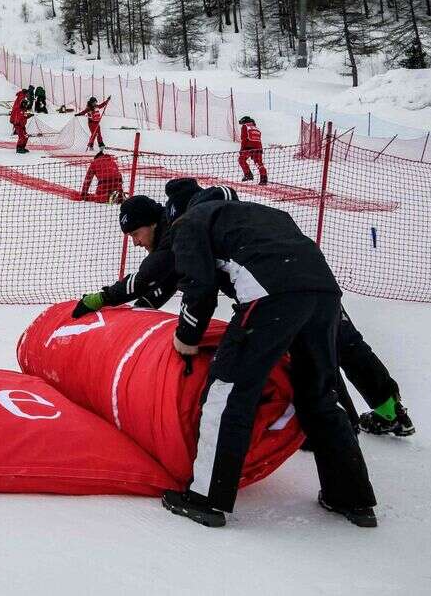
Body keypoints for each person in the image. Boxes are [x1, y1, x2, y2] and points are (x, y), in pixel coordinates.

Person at [77, 179, 415, 439]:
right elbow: (163, 284)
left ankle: (330, 426)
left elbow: (153, 277)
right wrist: (138, 315)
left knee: (302, 355)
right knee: (340, 343)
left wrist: (106, 299)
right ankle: (385, 411)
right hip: (314, 278)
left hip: (273, 294)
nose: (134, 241)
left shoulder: (182, 230)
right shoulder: (230, 214)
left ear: (158, 220)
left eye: (135, 232)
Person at [162, 187, 378, 528]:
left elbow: (199, 289)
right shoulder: (261, 214)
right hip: (324, 294)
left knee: (229, 390)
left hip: (271, 296)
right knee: (319, 395)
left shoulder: (192, 222)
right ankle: (350, 498)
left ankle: (206, 498)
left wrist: (187, 337)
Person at [238, 116, 268, 184]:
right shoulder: (256, 128)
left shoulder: (245, 126)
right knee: (259, 163)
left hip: (248, 148)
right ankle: (264, 178)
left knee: (241, 160)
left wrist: (242, 150)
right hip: (258, 148)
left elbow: (244, 139)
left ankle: (248, 174)